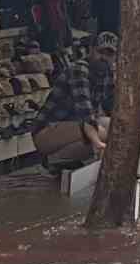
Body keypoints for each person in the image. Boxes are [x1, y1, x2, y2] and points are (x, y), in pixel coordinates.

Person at [32, 32, 117, 169]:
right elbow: (87, 115)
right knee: (100, 133)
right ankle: (53, 162)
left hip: (76, 127)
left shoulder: (108, 73)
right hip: (46, 132)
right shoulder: (79, 70)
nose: (104, 57)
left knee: (115, 126)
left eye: (109, 54)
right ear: (91, 50)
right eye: (101, 52)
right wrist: (98, 145)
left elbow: (114, 107)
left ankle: (72, 161)